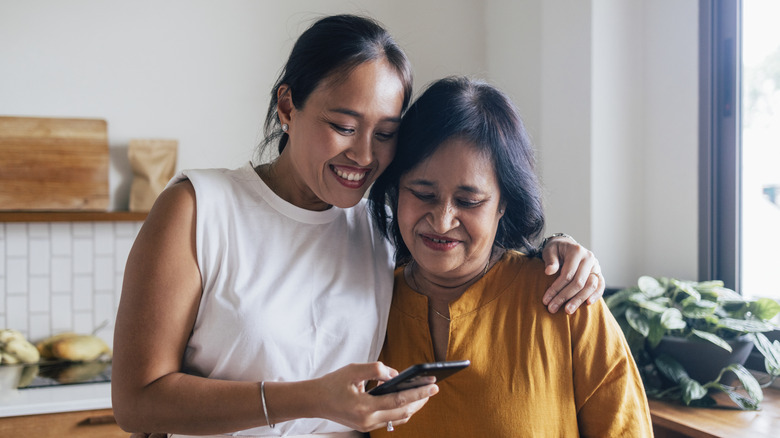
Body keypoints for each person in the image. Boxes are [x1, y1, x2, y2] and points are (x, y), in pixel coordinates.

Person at [112, 15, 605, 437]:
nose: (365, 155)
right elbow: (136, 402)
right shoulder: (199, 209)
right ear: (288, 107)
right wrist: (310, 399)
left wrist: (558, 248)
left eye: (385, 134)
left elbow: (459, 237)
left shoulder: (379, 223)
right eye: (344, 127)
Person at [367, 77, 653, 436]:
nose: (442, 220)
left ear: (504, 202)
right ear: (396, 191)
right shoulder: (369, 302)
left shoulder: (565, 297)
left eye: (469, 201)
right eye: (423, 194)